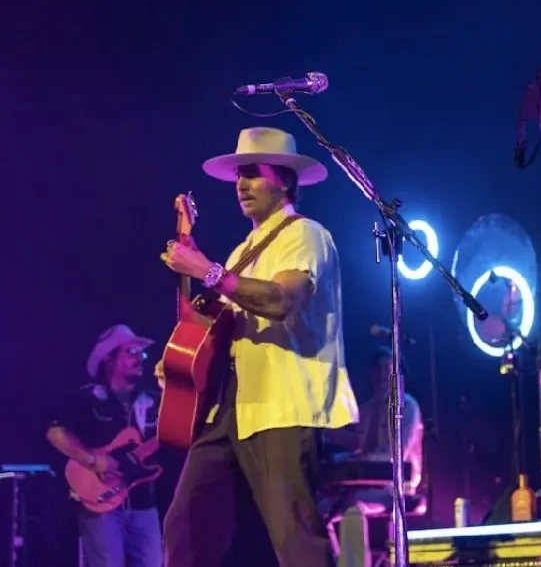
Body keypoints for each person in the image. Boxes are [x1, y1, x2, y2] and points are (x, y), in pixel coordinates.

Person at [158, 126, 359, 567]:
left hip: (281, 405)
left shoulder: (304, 234)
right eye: (238, 176)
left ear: (285, 180)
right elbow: (215, 326)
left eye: (253, 173)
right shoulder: (241, 252)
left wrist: (208, 270)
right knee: (186, 526)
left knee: (295, 538)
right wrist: (180, 360)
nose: (242, 185)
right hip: (231, 408)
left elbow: (281, 299)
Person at [46, 324, 163, 567]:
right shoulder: (89, 398)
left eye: (140, 354)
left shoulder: (153, 400)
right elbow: (56, 433)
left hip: (143, 503)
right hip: (100, 505)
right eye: (130, 352)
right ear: (109, 359)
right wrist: (92, 460)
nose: (138, 359)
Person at [323, 346, 423, 567]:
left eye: (387, 369)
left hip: (395, 488)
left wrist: (356, 460)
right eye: (377, 370)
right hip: (366, 486)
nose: (382, 375)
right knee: (317, 511)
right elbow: (360, 446)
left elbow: (394, 455)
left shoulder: (407, 407)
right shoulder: (366, 409)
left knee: (352, 505)